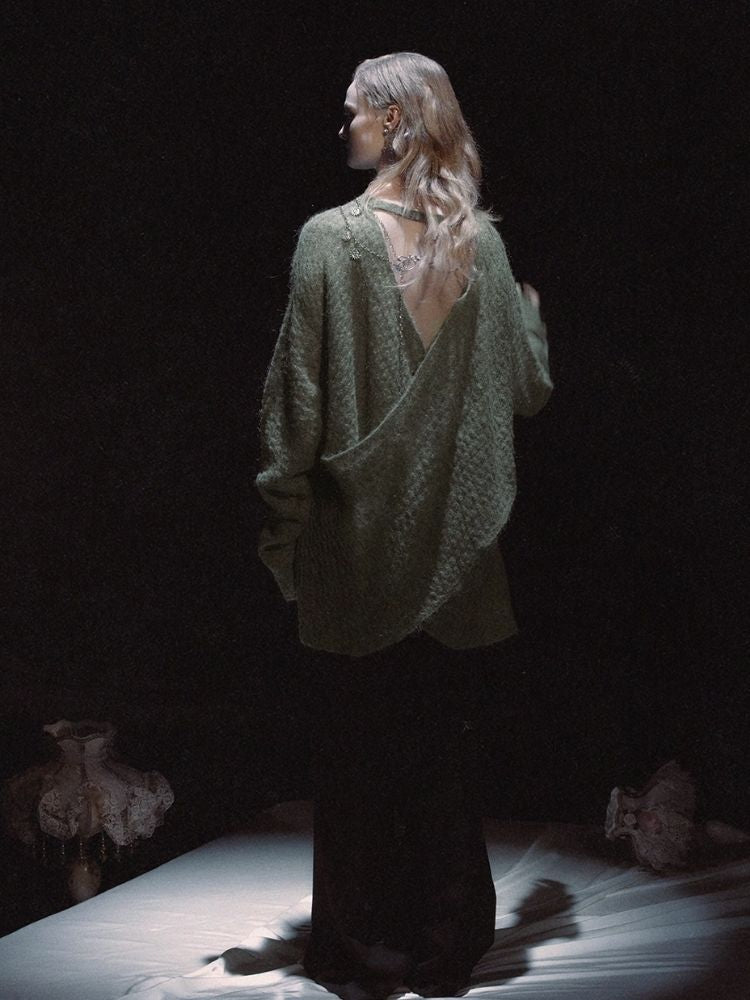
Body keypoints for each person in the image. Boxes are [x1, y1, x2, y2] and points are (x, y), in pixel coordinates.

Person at [256, 52, 552, 1000]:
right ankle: (443, 944)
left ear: (392, 120)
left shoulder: (329, 242)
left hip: (359, 554)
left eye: (352, 110)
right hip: (459, 557)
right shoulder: (484, 249)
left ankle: (361, 948)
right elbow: (527, 391)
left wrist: (281, 528)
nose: (341, 125)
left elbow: (295, 406)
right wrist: (530, 319)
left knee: (357, 765)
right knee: (445, 763)